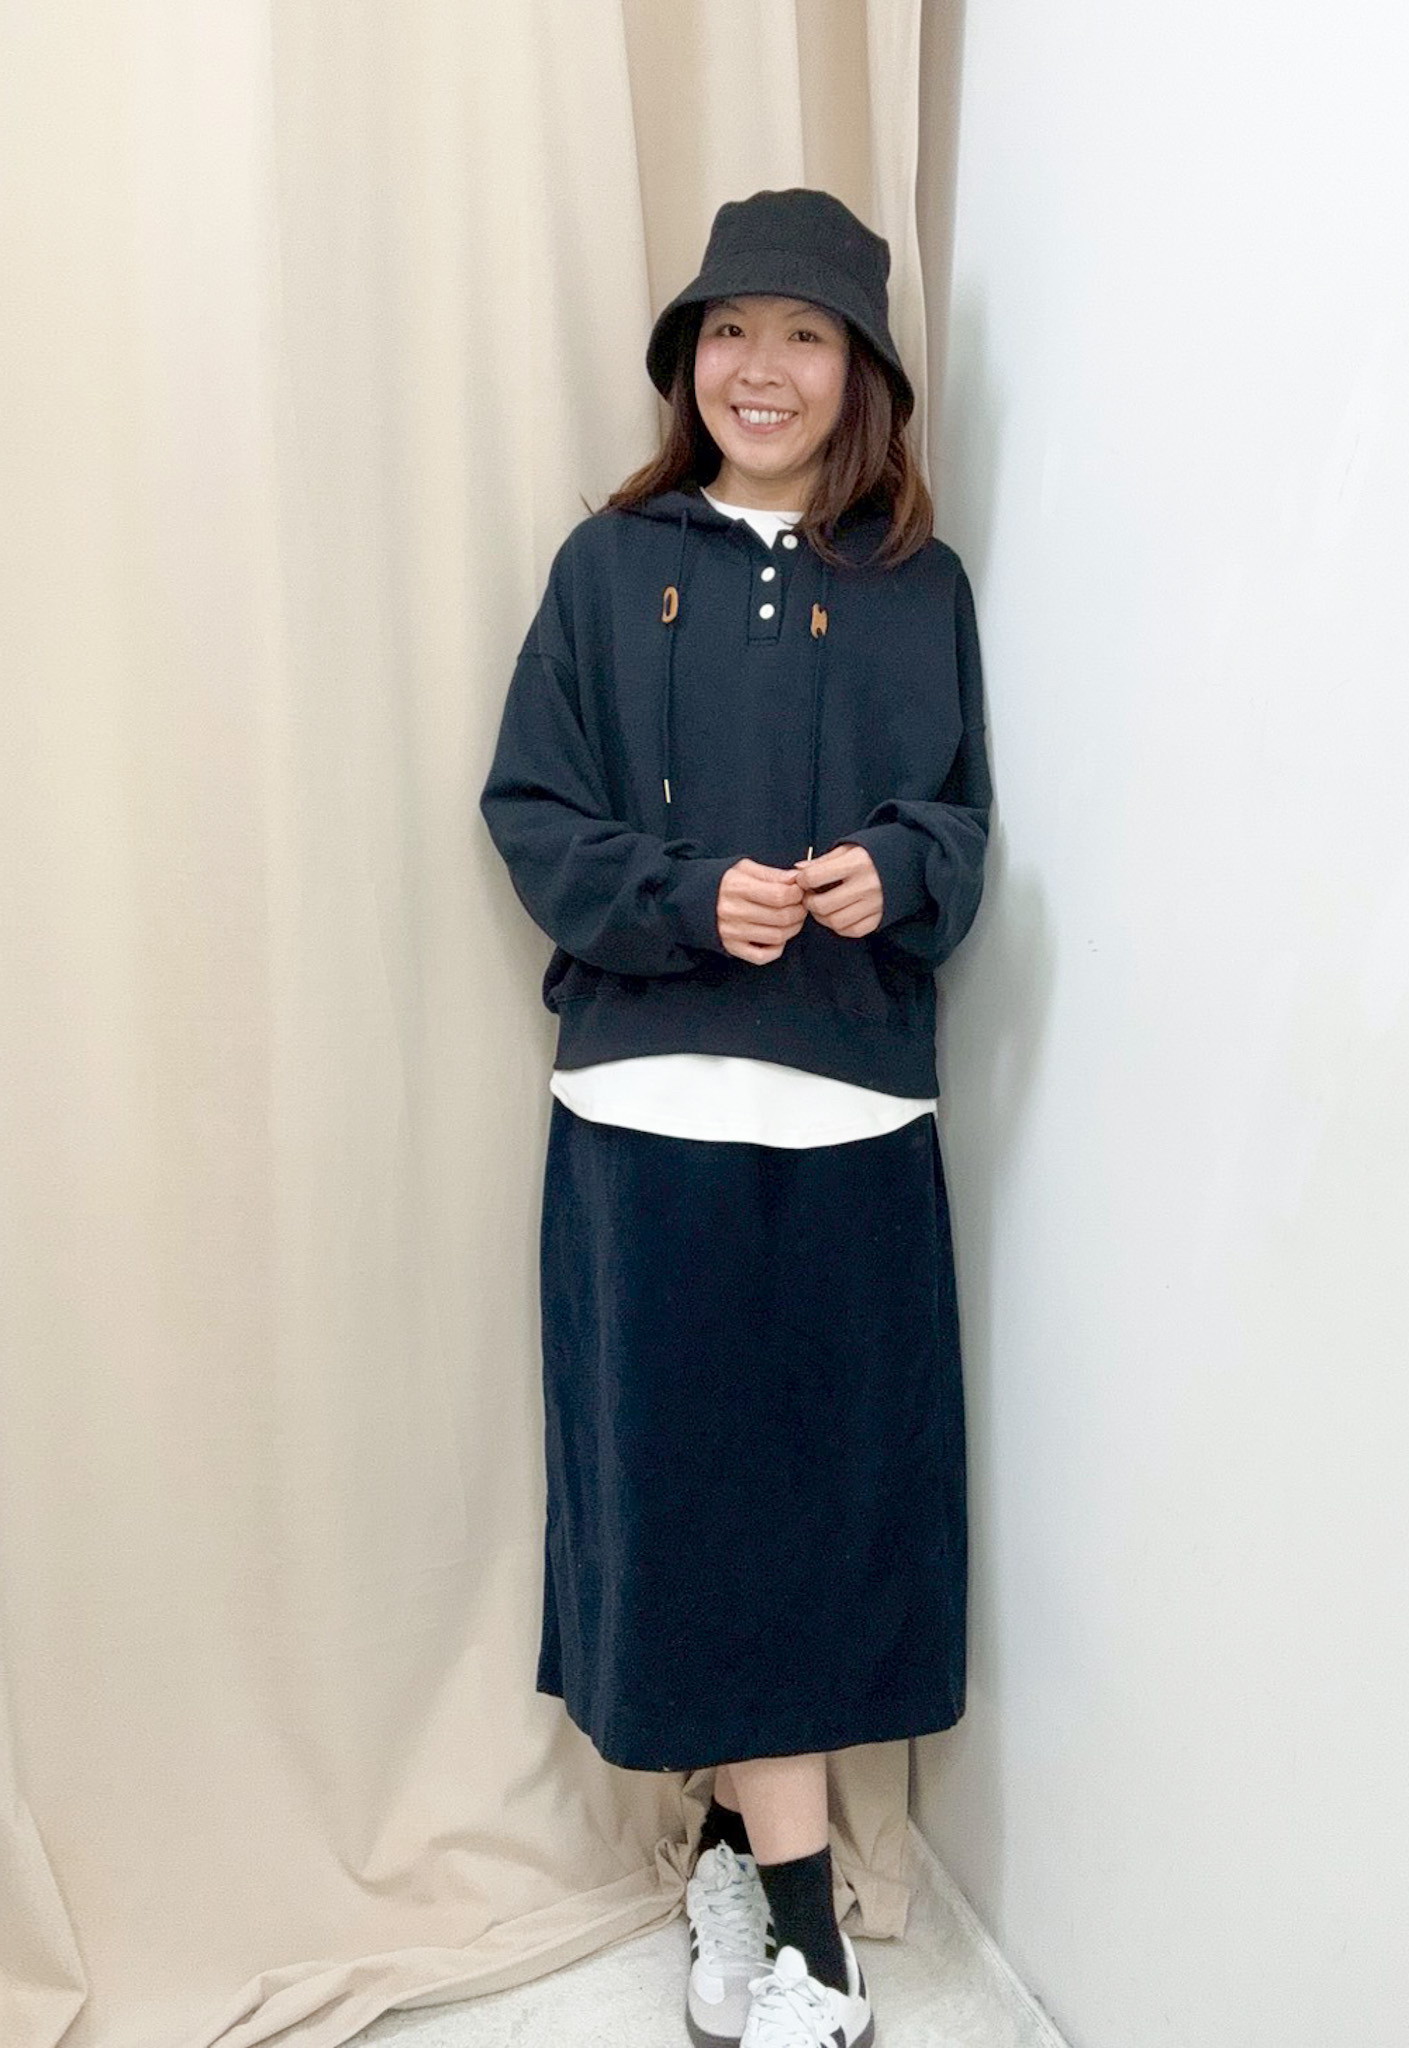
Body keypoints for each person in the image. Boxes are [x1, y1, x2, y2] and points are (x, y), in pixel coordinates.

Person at [480, 187, 991, 2048]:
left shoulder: (920, 587)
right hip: (645, 1102)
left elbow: (965, 827)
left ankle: (737, 1861)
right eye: (728, 331)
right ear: (687, 363)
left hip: (853, 1105)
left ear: (862, 374)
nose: (759, 368)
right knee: (688, 1503)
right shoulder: (608, 569)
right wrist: (688, 899)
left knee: (834, 1512)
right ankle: (803, 1936)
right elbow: (532, 812)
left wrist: (895, 869)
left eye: (802, 334)